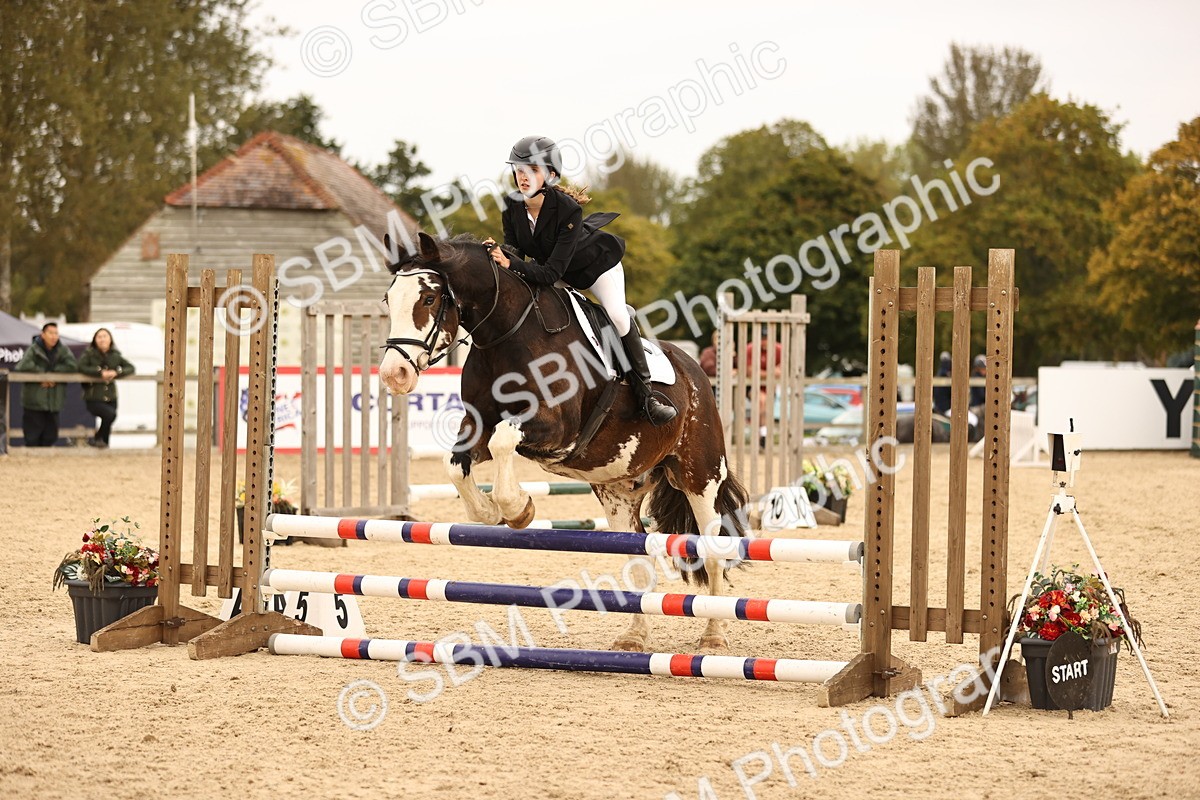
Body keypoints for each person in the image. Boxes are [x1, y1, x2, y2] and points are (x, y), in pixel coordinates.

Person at [482, 135, 676, 426]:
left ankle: (647, 395)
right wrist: (495, 255)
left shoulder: (567, 210)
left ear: (551, 175)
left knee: (617, 317)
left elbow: (550, 274)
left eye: (533, 170)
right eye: (519, 169)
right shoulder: (511, 207)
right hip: (554, 270)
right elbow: (515, 252)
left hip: (596, 268)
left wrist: (511, 262)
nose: (524, 177)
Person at [13, 322, 78, 446]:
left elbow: (72, 366)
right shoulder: (34, 349)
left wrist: (53, 375)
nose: (54, 336)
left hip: (54, 401)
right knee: (32, 435)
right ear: (43, 334)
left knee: (51, 435)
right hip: (34, 400)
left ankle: (46, 463)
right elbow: (22, 366)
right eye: (50, 333)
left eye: (56, 333)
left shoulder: (62, 350)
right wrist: (42, 375)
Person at [77, 328, 135, 448]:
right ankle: (98, 438)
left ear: (110, 339)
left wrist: (116, 373)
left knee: (107, 421)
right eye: (99, 336)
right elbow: (81, 367)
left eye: (105, 336)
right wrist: (99, 373)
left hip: (111, 395)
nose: (102, 339)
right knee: (110, 415)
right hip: (93, 395)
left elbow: (130, 368)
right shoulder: (89, 354)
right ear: (95, 339)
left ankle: (103, 444)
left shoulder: (115, 355)